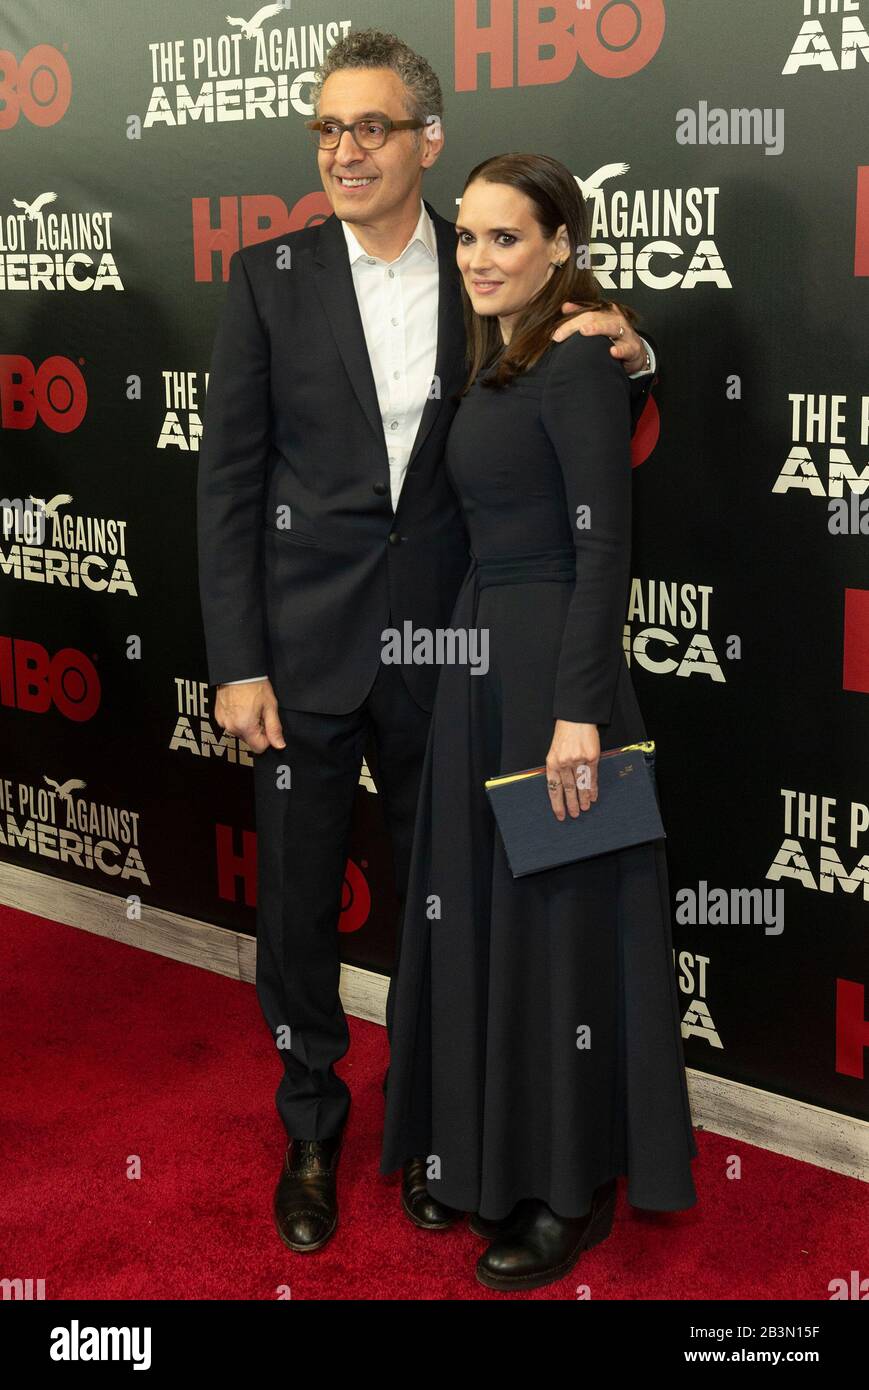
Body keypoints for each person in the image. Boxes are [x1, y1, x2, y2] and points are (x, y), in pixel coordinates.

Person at [196, 29, 659, 1256]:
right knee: (296, 907)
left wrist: (637, 348)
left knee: (447, 907)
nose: (344, 151)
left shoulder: (486, 252)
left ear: (426, 140)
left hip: (455, 654)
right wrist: (237, 660)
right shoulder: (266, 276)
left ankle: (435, 1129)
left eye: (372, 128)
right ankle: (311, 1128)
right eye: (326, 129)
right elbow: (227, 485)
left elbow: (581, 382)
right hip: (300, 651)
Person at [380, 152, 697, 1292]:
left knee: (560, 935)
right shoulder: (497, 353)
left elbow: (604, 543)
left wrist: (578, 715)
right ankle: (477, 1151)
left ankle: (571, 1193)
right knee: (485, 921)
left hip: (559, 678)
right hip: (482, 668)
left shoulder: (573, 360)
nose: (476, 257)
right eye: (465, 236)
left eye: (505, 238)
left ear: (560, 244)